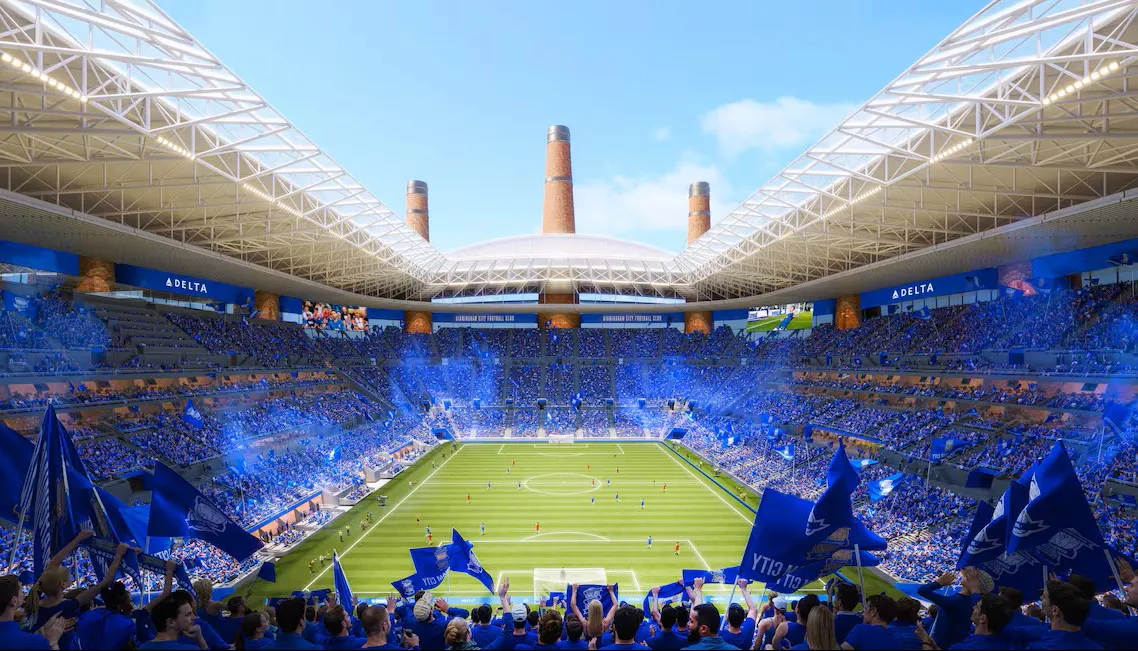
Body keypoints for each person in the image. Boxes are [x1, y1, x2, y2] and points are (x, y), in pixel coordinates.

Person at [25, 532, 128, 651]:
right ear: (63, 584)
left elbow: (52, 563)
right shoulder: (66, 606)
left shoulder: (33, 601)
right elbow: (106, 581)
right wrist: (119, 555)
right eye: (70, 575)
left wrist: (77, 540)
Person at [917, 567, 992, 650]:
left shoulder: (956, 601)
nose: (966, 576)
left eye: (970, 577)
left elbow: (922, 590)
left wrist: (939, 583)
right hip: (957, 642)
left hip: (942, 645)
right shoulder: (974, 599)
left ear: (976, 584)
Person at [916, 593, 1014, 651]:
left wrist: (925, 640)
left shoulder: (967, 647)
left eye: (977, 607)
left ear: (983, 618)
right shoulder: (1006, 644)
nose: (973, 607)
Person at [1025, 581, 1102, 650]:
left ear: (1055, 610)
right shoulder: (1097, 647)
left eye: (1044, 597)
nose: (1040, 597)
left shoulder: (1038, 647)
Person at [0, 574, 68, 651]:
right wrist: (52, 642)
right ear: (14, 601)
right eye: (22, 591)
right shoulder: (33, 642)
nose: (24, 594)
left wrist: (40, 633)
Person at [142, 595, 208, 650]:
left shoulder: (142, 648)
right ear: (170, 622)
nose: (193, 617)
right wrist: (201, 640)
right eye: (188, 614)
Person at [719, 579, 757, 650]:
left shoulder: (720, 635)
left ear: (727, 618)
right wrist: (743, 589)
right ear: (743, 618)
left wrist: (698, 589)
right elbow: (753, 609)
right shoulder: (747, 631)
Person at [830, 582, 863, 646]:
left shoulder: (832, 623)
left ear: (839, 602)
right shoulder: (861, 622)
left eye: (836, 598)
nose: (835, 600)